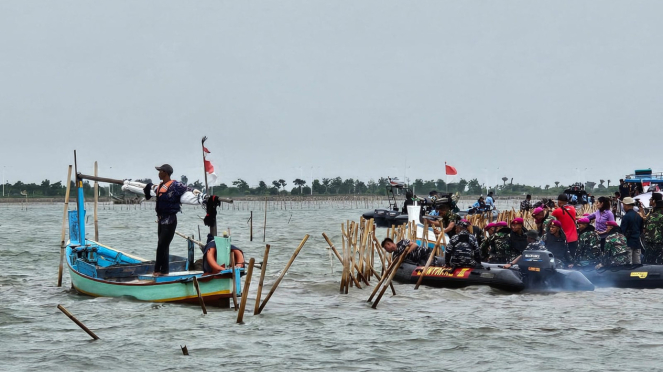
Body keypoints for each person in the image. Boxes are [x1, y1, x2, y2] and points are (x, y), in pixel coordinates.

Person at [143, 164, 187, 276]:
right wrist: (148, 187)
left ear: (166, 173)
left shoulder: (175, 185)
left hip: (170, 220)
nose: (158, 173)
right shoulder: (161, 186)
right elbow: (153, 189)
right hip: (161, 220)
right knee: (163, 245)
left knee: (162, 245)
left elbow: (186, 188)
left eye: (160, 171)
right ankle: (164, 271)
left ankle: (157, 270)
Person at [620, 197, 644, 264]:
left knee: (628, 265)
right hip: (637, 242)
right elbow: (641, 229)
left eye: (623, 205)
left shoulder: (626, 217)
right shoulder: (638, 216)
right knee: (637, 264)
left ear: (626, 205)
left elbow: (622, 231)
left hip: (628, 243)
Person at [643, 194, 663, 264]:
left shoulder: (650, 217)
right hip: (660, 245)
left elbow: (644, 230)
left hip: (650, 245)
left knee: (649, 265)